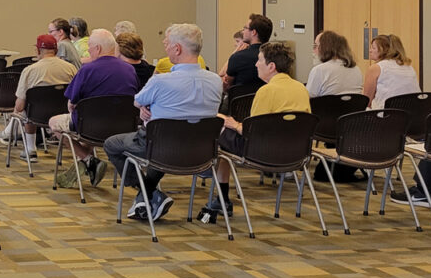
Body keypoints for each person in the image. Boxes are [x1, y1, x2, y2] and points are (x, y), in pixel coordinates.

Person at [103, 24, 222, 222]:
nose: (165, 49)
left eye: (167, 45)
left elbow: (136, 101)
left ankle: (148, 193)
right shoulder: (215, 81)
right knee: (166, 141)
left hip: (161, 148)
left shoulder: (160, 81)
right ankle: (149, 195)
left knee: (112, 144)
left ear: (177, 49)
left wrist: (145, 106)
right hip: (201, 152)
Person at [200, 42, 311, 222]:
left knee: (221, 135)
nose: (256, 64)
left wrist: (234, 124)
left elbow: (254, 133)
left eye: (259, 60)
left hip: (263, 152)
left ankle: (222, 197)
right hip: (295, 153)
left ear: (271, 66)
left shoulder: (267, 91)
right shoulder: (300, 88)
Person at [51, 29, 138, 184]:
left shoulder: (87, 69)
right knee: (90, 125)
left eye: (90, 46)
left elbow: (71, 103)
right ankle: (86, 162)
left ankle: (88, 159)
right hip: (123, 126)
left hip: (91, 126)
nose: (88, 50)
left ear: (97, 48)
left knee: (54, 123)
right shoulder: (130, 69)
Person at [4, 34, 78, 165]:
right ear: (56, 50)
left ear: (37, 51)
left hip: (36, 117)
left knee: (28, 108)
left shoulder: (29, 71)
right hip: (63, 115)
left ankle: (30, 149)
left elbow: (20, 106)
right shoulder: (71, 68)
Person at [363, 34, 420, 110]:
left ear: (384, 50)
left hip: (386, 117)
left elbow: (366, 102)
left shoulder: (376, 68)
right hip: (412, 116)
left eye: (373, 48)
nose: (370, 50)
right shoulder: (410, 68)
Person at [223, 13, 272, 91]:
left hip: (240, 102)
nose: (243, 32)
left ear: (254, 32)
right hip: (265, 101)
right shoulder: (274, 57)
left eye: (245, 28)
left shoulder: (238, 57)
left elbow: (227, 84)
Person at [306, 30, 363, 97]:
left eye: (316, 46)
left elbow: (307, 99)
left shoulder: (319, 70)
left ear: (325, 48)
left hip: (325, 107)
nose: (313, 50)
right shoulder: (357, 70)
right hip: (354, 107)